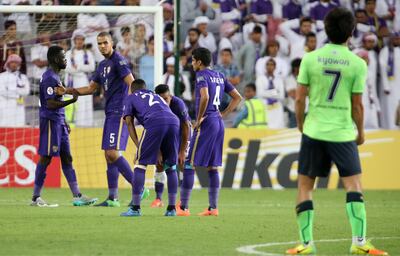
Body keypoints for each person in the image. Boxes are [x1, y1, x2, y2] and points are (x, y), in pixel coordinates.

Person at [286, 7, 388, 255]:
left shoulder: (310, 58)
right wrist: (361, 132)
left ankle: (307, 244)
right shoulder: (357, 63)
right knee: (354, 186)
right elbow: (357, 105)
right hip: (342, 133)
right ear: (351, 31)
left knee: (305, 187)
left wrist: (301, 124)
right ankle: (359, 242)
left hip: (314, 130)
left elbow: (300, 99)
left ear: (325, 30)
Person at [55, 32, 148, 207]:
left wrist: (128, 108)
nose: (103, 46)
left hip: (119, 112)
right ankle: (113, 198)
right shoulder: (102, 65)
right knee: (108, 155)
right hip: (110, 112)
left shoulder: (118, 61)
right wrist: (66, 90)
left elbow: (132, 83)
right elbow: (91, 88)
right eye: (100, 43)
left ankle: (139, 187)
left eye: (105, 42)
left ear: (112, 43)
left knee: (113, 152)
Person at [31, 46, 97, 207]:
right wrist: (71, 100)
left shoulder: (56, 77)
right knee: (46, 158)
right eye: (63, 57)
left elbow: (56, 102)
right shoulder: (49, 78)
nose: (65, 59)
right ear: (55, 59)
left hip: (59, 122)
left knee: (67, 158)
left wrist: (65, 121)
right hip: (50, 122)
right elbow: (50, 103)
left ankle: (77, 196)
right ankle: (35, 198)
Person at [179, 47, 242, 216]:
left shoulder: (201, 75)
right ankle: (213, 208)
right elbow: (238, 97)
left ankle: (183, 207)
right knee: (212, 167)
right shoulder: (220, 76)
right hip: (218, 122)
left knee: (189, 163)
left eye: (193, 60)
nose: (192, 63)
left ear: (199, 62)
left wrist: (198, 119)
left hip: (207, 122)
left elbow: (205, 96)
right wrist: (223, 114)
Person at [120, 79, 180, 217]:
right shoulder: (156, 95)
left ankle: (135, 208)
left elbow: (129, 124)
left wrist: (138, 146)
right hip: (173, 121)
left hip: (154, 122)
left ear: (131, 89)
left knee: (140, 165)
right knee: (170, 166)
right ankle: (171, 209)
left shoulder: (130, 97)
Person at [150, 84, 192, 210]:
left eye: (166, 99)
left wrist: (182, 150)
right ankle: (158, 198)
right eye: (161, 100)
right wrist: (158, 152)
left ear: (171, 96)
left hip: (182, 135)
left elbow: (186, 126)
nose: (164, 102)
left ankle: (183, 202)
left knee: (183, 165)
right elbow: (152, 130)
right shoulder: (153, 106)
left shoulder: (178, 104)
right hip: (165, 135)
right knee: (159, 164)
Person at [64, 29, 96, 127]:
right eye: (77, 39)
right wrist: (80, 70)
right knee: (74, 105)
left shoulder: (88, 54)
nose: (79, 41)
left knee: (85, 105)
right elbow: (66, 68)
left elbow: (92, 67)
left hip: (85, 82)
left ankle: (87, 126)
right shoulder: (68, 53)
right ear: (74, 40)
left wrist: (79, 67)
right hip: (72, 83)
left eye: (81, 39)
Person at [0, 54, 30, 127]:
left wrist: (11, 90)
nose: (14, 64)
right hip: (5, 105)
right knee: (5, 126)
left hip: (19, 106)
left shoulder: (23, 77)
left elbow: (26, 91)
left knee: (19, 126)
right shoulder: (2, 76)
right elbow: (2, 91)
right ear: (8, 64)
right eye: (12, 62)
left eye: (16, 62)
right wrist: (17, 93)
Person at [255, 58, 285, 129]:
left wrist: (266, 93)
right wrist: (276, 92)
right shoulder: (260, 79)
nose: (269, 66)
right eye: (267, 64)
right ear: (265, 66)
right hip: (265, 106)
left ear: (275, 67)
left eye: (271, 65)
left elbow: (282, 95)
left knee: (278, 128)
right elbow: (260, 93)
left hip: (277, 107)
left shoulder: (279, 80)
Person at [379, 32, 400, 129]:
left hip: (398, 85)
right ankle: (389, 128)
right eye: (395, 38)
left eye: (398, 39)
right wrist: (386, 86)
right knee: (390, 108)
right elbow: (383, 70)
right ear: (391, 39)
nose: (397, 40)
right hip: (389, 87)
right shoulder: (385, 51)